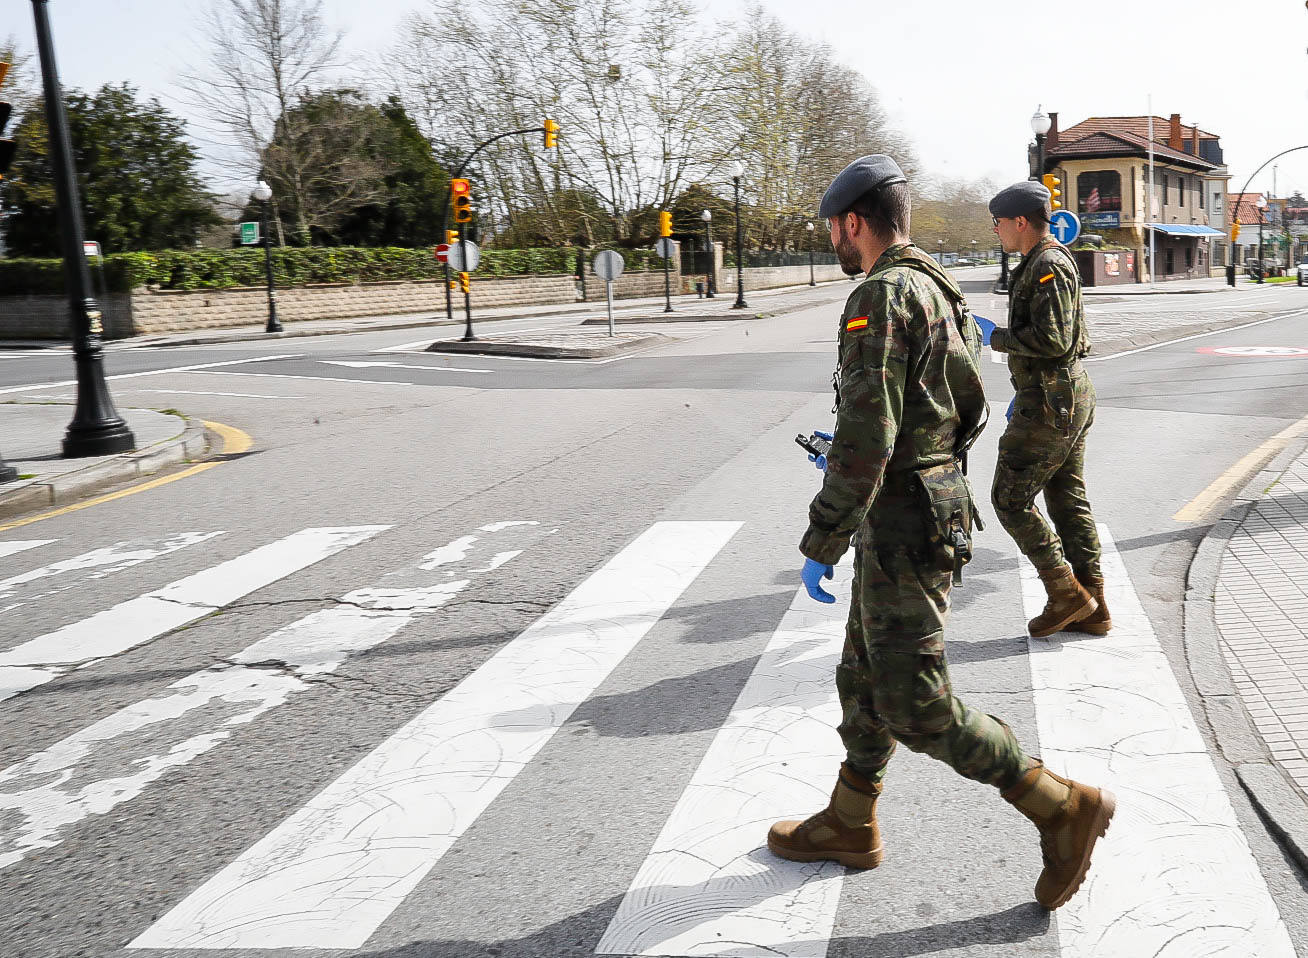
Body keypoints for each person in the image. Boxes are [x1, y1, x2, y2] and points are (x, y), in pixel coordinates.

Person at [770, 155, 1114, 911]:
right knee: (862, 676)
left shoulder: (880, 296)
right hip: (924, 504)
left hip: (903, 522)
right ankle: (850, 821)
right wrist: (923, 461)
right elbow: (966, 407)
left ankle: (1059, 806)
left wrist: (823, 536)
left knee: (915, 702)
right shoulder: (937, 284)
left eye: (833, 226)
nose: (832, 236)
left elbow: (866, 438)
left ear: (853, 222)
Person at [987, 181, 1110, 638]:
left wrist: (993, 336)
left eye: (998, 222)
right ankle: (1094, 606)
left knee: (1009, 499)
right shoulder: (1041, 262)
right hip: (1058, 397)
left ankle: (1066, 593)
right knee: (1065, 498)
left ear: (1020, 222)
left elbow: (1055, 340)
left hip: (1051, 403)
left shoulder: (1048, 265)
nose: (995, 230)